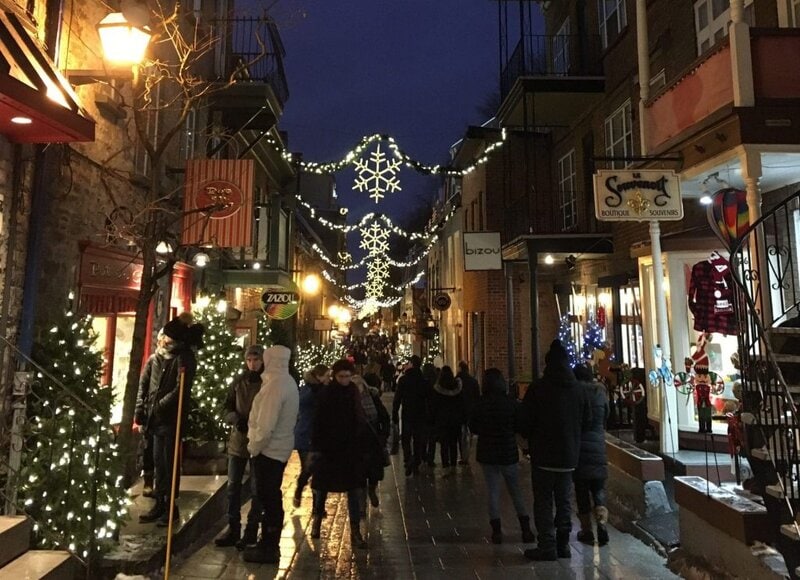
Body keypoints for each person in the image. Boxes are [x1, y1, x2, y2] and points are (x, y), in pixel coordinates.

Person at [518, 340, 591, 561]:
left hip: (543, 455)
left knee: (543, 501)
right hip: (569, 456)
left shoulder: (538, 388)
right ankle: (563, 544)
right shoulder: (578, 390)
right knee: (564, 500)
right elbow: (587, 421)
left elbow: (524, 421)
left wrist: (530, 438)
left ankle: (547, 545)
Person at [134, 313, 202, 526]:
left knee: (169, 462)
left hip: (170, 419)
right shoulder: (156, 358)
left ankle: (170, 506)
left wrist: (160, 405)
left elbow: (180, 389)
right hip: (154, 420)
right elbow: (144, 384)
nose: (162, 339)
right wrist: (141, 408)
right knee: (157, 462)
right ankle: (159, 502)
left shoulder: (183, 359)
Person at [243, 345, 300, 563]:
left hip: (269, 451)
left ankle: (269, 545)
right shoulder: (287, 382)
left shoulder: (275, 386)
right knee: (271, 496)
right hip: (280, 448)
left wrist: (254, 446)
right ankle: (268, 542)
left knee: (268, 496)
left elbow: (265, 425)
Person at [470, 368, 535, 545]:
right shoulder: (511, 403)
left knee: (492, 491)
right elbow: (520, 426)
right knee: (515, 490)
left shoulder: (480, 404)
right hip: (508, 451)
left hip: (487, 452)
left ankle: (496, 531)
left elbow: (473, 427)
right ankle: (525, 528)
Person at [310, 359, 369, 548]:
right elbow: (318, 421)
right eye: (341, 376)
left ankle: (355, 532)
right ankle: (317, 520)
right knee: (322, 488)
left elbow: (359, 417)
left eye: (348, 376)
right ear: (335, 376)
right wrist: (317, 447)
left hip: (350, 450)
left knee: (353, 491)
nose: (345, 380)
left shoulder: (353, 392)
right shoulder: (327, 394)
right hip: (329, 449)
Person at [214, 345, 265, 549]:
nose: (253, 364)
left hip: (258, 441)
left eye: (256, 360)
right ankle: (233, 527)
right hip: (238, 441)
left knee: (257, 488)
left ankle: (252, 529)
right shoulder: (238, 382)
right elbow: (226, 406)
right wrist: (235, 419)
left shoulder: (267, 382)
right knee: (233, 487)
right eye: (249, 360)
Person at [573, 364, 610, 546]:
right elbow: (606, 417)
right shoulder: (600, 393)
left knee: (581, 490)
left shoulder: (575, 394)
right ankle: (602, 524)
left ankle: (586, 530)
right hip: (598, 446)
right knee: (598, 488)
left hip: (579, 448)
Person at [293, 364, 330, 509]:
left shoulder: (325, 390)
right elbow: (302, 403)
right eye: (326, 376)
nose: (329, 379)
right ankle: (299, 487)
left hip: (320, 436)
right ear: (319, 377)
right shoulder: (307, 389)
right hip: (306, 435)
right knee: (308, 469)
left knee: (319, 471)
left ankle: (317, 506)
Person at [356, 373, 391, 508]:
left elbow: (384, 417)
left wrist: (383, 435)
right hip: (357, 442)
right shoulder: (349, 401)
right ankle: (361, 504)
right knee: (359, 474)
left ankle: (371, 489)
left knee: (373, 471)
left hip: (373, 441)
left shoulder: (373, 399)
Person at [392, 355, 430, 476]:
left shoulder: (404, 379)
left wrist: (394, 413)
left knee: (406, 438)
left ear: (412, 364)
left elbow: (397, 398)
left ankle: (408, 459)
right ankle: (416, 461)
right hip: (420, 413)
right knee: (418, 439)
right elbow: (429, 399)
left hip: (407, 412)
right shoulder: (424, 380)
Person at [431, 365, 464, 475]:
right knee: (453, 443)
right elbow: (461, 404)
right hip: (455, 419)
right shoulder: (457, 387)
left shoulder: (437, 389)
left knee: (444, 444)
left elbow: (434, 406)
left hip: (442, 420)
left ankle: (445, 466)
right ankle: (453, 465)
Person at [457, 361, 481, 464]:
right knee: (469, 433)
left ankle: (463, 455)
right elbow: (477, 397)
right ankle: (468, 454)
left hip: (460, 410)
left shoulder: (457, 381)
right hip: (471, 410)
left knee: (461, 434)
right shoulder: (473, 381)